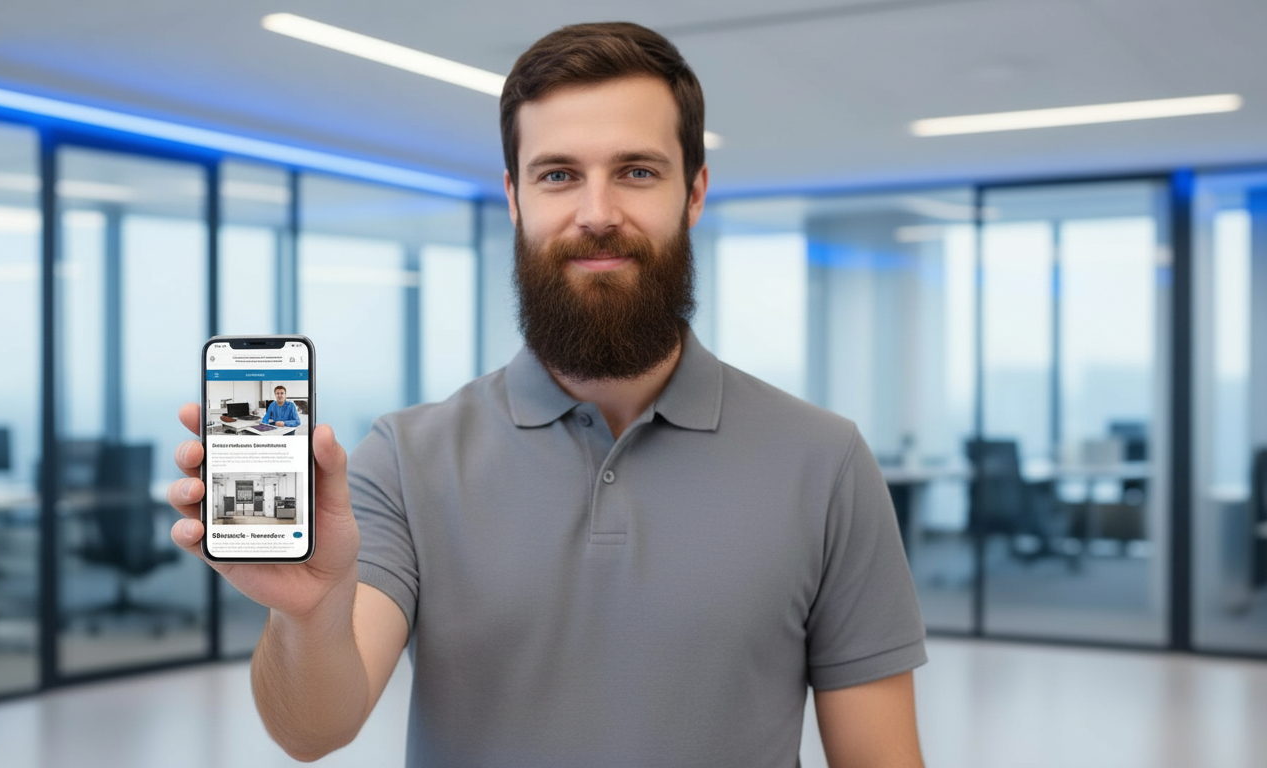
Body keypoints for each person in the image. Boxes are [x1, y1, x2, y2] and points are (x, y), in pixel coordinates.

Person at [167, 21, 926, 768]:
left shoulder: (824, 461)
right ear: (515, 197)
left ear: (693, 192)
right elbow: (312, 731)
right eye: (558, 174)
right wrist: (308, 611)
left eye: (637, 171)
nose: (597, 212)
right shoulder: (404, 460)